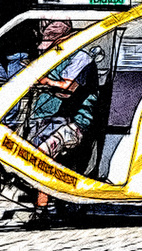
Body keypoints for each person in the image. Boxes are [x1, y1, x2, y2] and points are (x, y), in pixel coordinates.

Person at [31, 20, 98, 161]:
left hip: (71, 123)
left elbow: (67, 89)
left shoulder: (81, 57)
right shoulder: (51, 58)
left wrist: (44, 81)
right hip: (43, 118)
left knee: (41, 153)